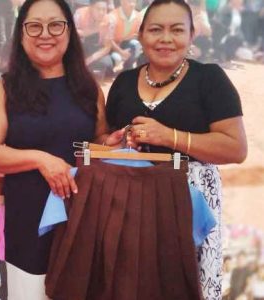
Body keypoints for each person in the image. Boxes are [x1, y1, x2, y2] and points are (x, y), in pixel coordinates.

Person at [0, 0, 123, 298]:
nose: (46, 34)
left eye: (56, 24)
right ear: (21, 34)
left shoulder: (87, 87)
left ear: (69, 31)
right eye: (35, 26)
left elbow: (96, 141)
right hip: (28, 223)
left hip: (83, 219)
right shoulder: (4, 89)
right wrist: (41, 159)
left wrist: (110, 143)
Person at [104, 0, 247, 299]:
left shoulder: (209, 79)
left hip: (191, 204)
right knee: (132, 284)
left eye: (177, 30)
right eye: (156, 30)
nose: (166, 39)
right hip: (131, 201)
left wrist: (169, 137)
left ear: (192, 34)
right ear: (141, 35)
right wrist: (114, 143)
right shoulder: (123, 82)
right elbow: (107, 138)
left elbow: (235, 149)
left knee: (186, 285)